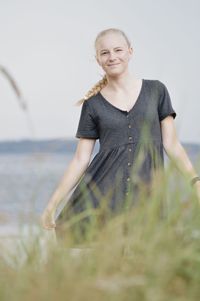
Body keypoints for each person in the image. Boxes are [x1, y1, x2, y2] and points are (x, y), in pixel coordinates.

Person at [41, 28, 200, 242]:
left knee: (145, 260)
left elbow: (171, 144)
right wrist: (52, 204)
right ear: (97, 59)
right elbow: (80, 159)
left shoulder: (156, 91)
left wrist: (195, 181)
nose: (112, 56)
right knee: (111, 269)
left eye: (118, 50)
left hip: (147, 195)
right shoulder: (92, 105)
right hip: (104, 197)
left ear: (130, 52)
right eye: (104, 52)